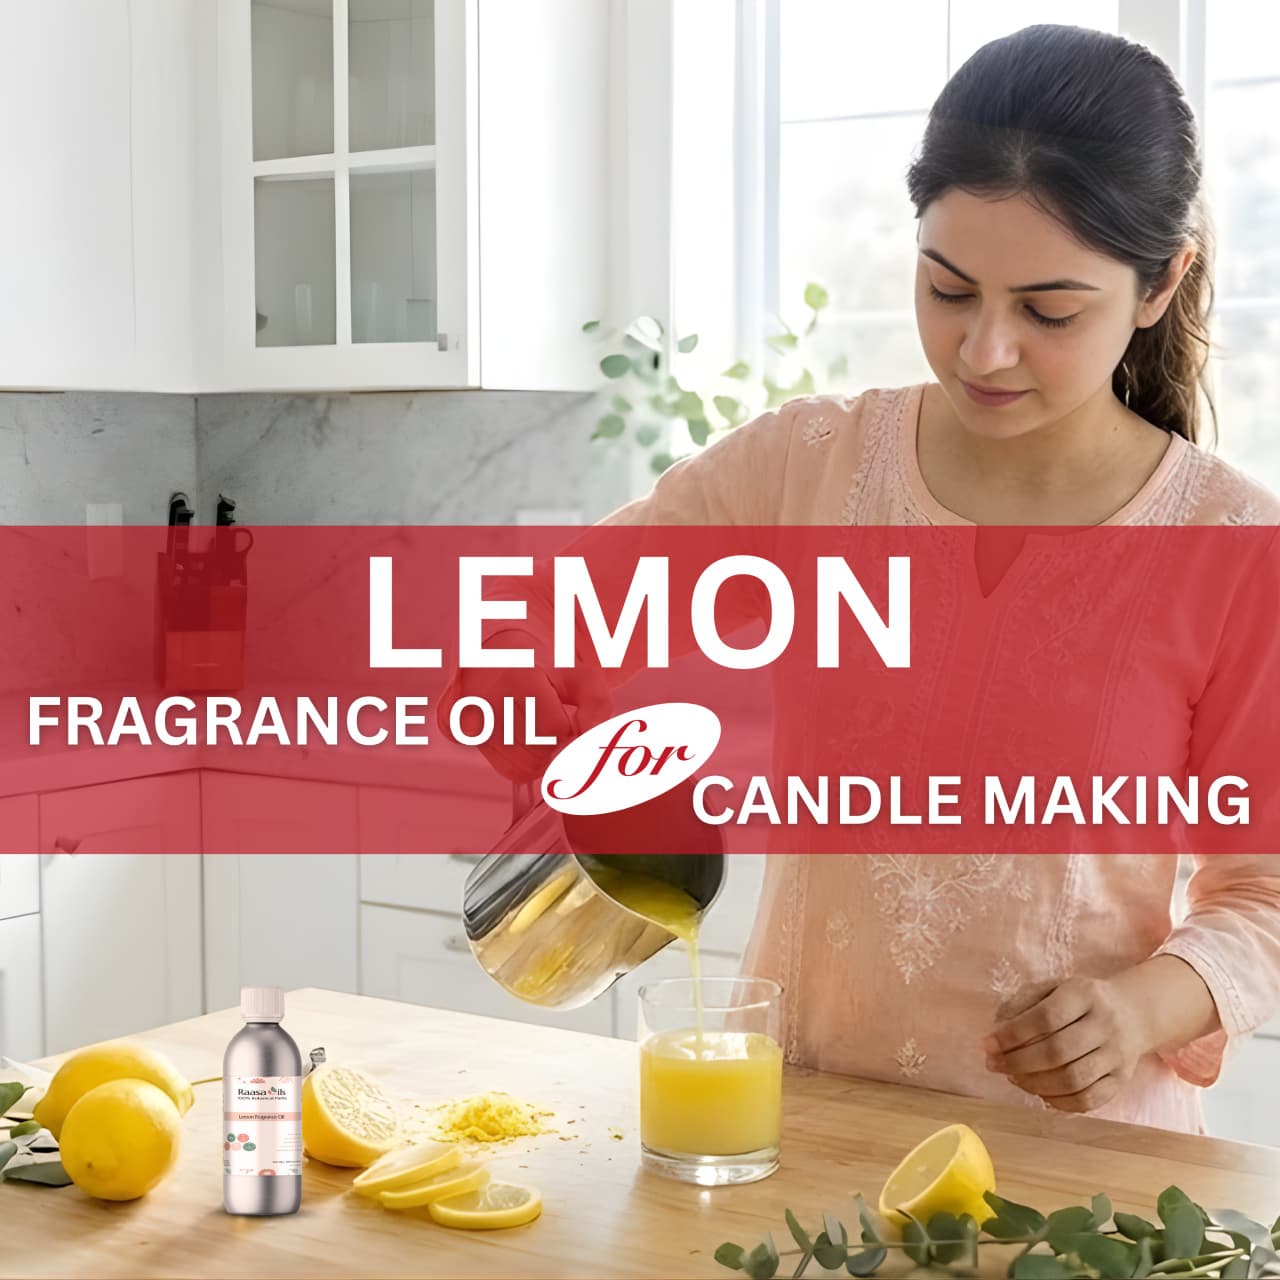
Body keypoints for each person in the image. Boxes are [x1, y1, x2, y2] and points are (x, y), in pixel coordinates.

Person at [445, 24, 1280, 1134]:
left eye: (1047, 310)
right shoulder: (804, 467)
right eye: (946, 288)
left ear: (1155, 284)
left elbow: (1261, 897)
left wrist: (1134, 1009)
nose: (984, 349)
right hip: (799, 1132)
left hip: (1078, 1169)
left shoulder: (1231, 547)